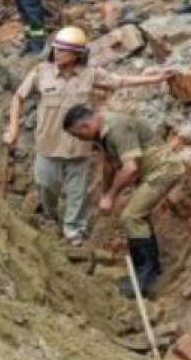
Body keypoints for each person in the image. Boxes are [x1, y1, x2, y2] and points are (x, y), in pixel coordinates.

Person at [3, 26, 173, 247]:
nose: (58, 54)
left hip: (78, 150)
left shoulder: (90, 74)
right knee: (45, 186)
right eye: (56, 49)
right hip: (48, 145)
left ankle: (74, 231)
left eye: (64, 51)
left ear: (76, 55)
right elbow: (18, 97)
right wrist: (13, 128)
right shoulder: (40, 72)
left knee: (77, 195)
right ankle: (50, 215)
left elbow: (119, 81)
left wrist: (154, 78)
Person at [63, 105, 184, 297]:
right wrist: (104, 194)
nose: (80, 140)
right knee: (138, 216)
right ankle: (146, 270)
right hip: (151, 172)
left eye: (78, 136)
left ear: (85, 126)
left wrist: (111, 196)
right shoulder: (101, 132)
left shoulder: (116, 128)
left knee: (131, 216)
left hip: (164, 170)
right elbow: (110, 164)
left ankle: (145, 277)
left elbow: (131, 168)